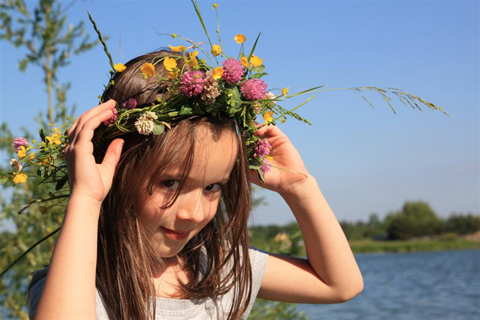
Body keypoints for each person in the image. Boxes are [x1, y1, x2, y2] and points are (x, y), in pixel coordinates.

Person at [27, 48, 363, 320]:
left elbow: (339, 285)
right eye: (171, 183)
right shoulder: (79, 286)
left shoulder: (216, 269)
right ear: (119, 171)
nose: (193, 213)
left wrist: (300, 188)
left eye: (213, 187)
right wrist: (86, 197)